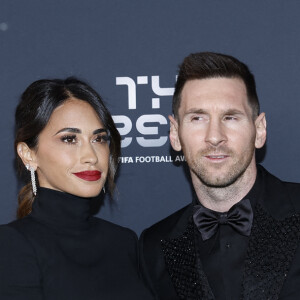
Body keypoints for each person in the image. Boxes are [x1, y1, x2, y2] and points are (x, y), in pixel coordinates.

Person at [139, 52, 300, 300]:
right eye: (197, 118)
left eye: (230, 117)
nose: (214, 136)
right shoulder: (154, 246)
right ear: (174, 133)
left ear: (259, 130)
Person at [0, 77, 153, 300]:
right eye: (70, 139)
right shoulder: (11, 245)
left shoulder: (124, 242)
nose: (91, 156)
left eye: (99, 138)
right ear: (28, 154)